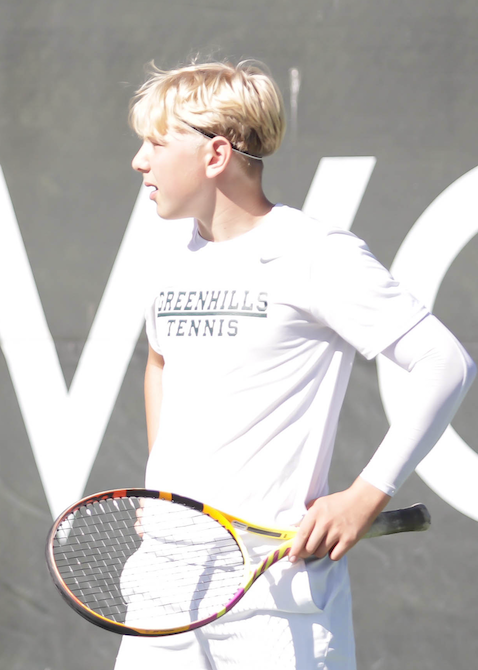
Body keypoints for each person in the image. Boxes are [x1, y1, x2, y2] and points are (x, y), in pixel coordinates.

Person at [115, 59, 475, 669]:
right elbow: (161, 362)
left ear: (215, 155)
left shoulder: (314, 254)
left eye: (155, 142)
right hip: (161, 588)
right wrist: (162, 482)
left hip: (275, 601)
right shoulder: (167, 253)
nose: (139, 161)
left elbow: (445, 362)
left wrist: (364, 497)